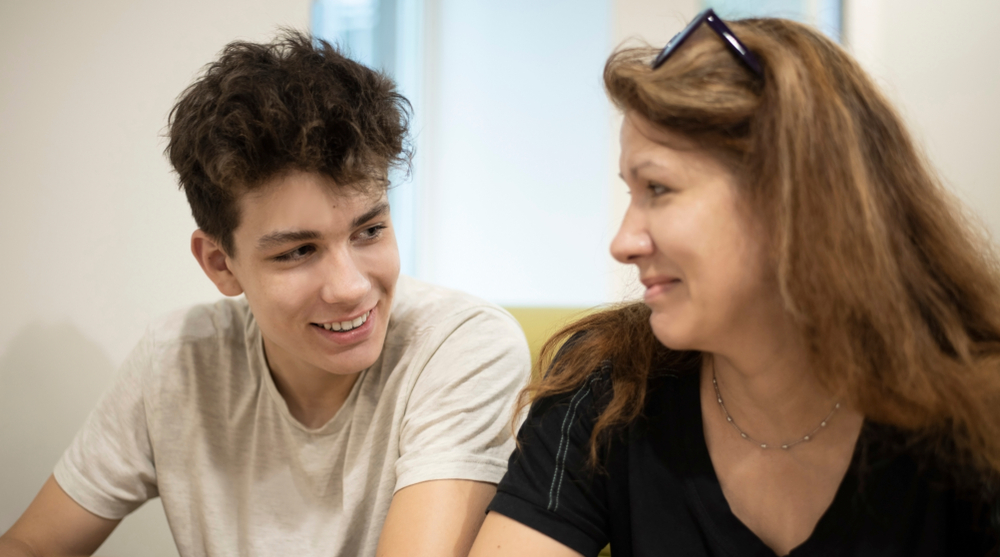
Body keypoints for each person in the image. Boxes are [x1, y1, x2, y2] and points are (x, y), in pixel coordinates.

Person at [469, 11, 1000, 557]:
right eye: (632, 191)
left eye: (659, 188)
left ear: (793, 199)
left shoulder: (976, 419)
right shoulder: (609, 384)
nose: (623, 242)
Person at [0, 31, 529, 557]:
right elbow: (29, 544)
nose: (350, 288)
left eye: (369, 231)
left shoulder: (464, 348)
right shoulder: (177, 359)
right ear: (219, 264)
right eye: (298, 251)